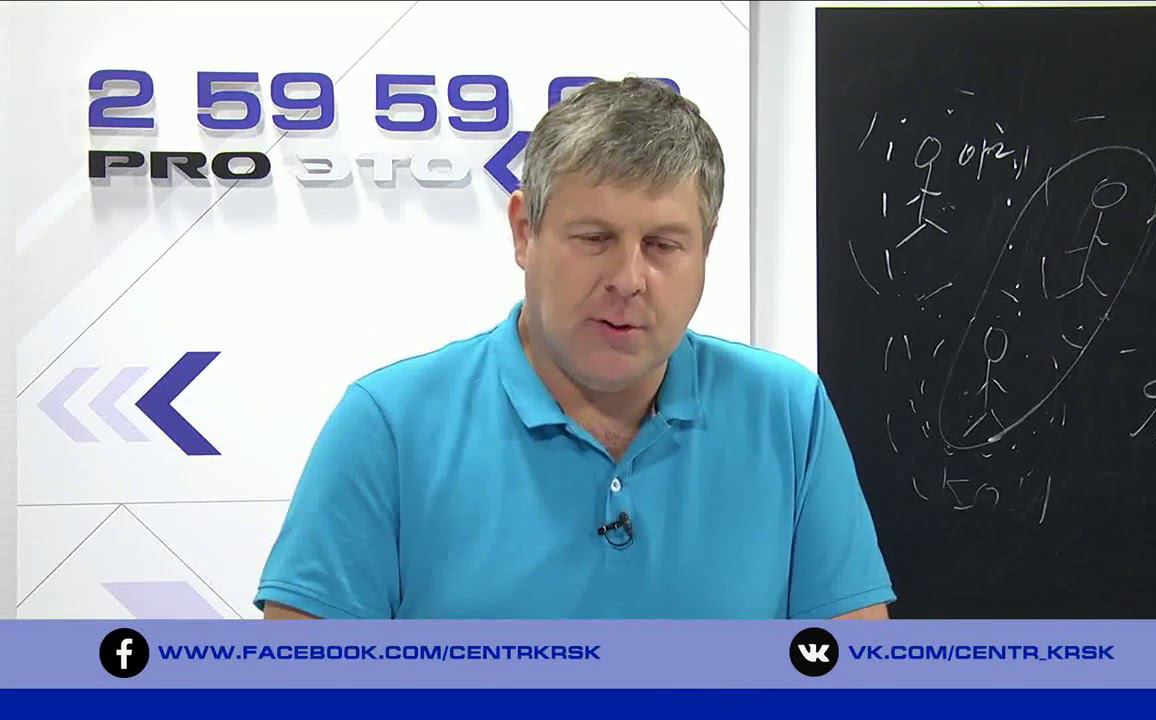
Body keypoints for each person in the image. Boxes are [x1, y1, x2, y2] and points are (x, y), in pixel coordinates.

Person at [254, 77, 895, 620]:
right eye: (594, 238)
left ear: (706, 249)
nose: (628, 279)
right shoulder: (388, 425)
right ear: (523, 232)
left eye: (663, 245)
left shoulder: (788, 412)